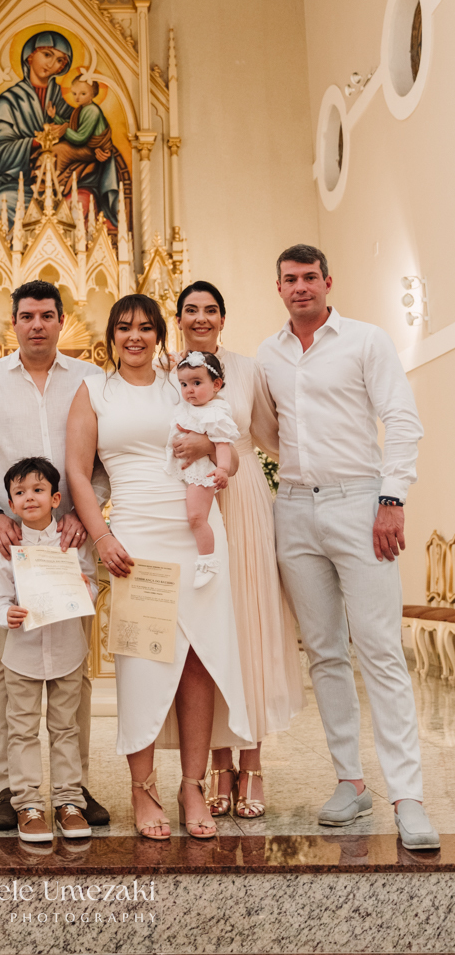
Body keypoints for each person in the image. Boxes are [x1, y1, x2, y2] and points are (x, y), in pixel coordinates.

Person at [257, 243, 439, 850]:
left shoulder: (366, 341)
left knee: (381, 652)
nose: (301, 287)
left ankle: (408, 798)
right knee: (326, 654)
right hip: (295, 507)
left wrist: (390, 499)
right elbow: (264, 429)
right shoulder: (269, 354)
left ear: (328, 282)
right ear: (278, 287)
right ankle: (350, 782)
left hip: (361, 504)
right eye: (291, 279)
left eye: (311, 277)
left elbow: (402, 420)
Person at [66, 294, 250, 842]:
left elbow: (229, 450)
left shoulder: (184, 382)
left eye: (146, 327)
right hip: (137, 536)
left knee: (199, 661)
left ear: (159, 334)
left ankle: (192, 784)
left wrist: (208, 446)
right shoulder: (93, 390)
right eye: (124, 328)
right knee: (143, 662)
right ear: (111, 335)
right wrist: (101, 535)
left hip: (195, 530)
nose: (136, 337)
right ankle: (141, 787)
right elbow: (77, 471)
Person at [0, 279, 111, 831]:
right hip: (8, 544)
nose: (37, 324)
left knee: (75, 670)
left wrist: (85, 513)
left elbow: (103, 462)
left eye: (47, 315)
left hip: (70, 541)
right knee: (6, 667)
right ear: (12, 322)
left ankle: (73, 788)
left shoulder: (91, 380)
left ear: (62, 321)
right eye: (27, 315)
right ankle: (10, 789)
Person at [174, 280, 305, 819]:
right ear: (178, 317)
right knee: (208, 632)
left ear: (223, 318)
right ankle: (217, 761)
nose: (201, 317)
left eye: (210, 310)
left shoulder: (250, 369)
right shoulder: (166, 373)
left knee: (247, 625)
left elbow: (275, 434)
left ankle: (250, 762)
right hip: (190, 501)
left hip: (242, 495)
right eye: (190, 310)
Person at [0, 456, 98, 843]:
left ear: (55, 499)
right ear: (11, 503)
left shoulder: (72, 542)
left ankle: (69, 802)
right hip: (22, 655)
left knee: (65, 728)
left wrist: (85, 589)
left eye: (37, 490)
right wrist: (9, 614)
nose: (29, 498)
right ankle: (28, 804)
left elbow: (93, 588)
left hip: (68, 650)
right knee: (21, 731)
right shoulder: (7, 548)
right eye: (19, 493)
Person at [0, 32, 118, 239]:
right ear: (30, 57)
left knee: (79, 205)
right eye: (47, 55)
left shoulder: (71, 99)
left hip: (65, 183)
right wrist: (35, 142)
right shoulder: (6, 104)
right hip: (19, 184)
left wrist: (100, 153)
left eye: (60, 60)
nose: (52, 64)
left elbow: (88, 135)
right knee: (2, 203)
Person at [164, 351, 239, 588]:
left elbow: (222, 444)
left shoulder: (215, 413)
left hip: (202, 472)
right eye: (184, 384)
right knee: (189, 518)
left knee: (196, 517)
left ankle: (207, 561)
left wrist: (223, 469)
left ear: (216, 385)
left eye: (197, 383)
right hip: (186, 473)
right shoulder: (190, 408)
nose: (189, 390)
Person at [51, 71, 113, 197]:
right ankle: (52, 183)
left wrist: (64, 130)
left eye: (83, 93)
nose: (77, 97)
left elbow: (80, 138)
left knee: (58, 150)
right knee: (53, 150)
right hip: (87, 147)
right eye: (74, 93)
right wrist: (55, 117)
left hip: (90, 149)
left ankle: (54, 184)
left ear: (93, 94)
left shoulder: (92, 111)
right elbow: (71, 125)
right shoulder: (83, 108)